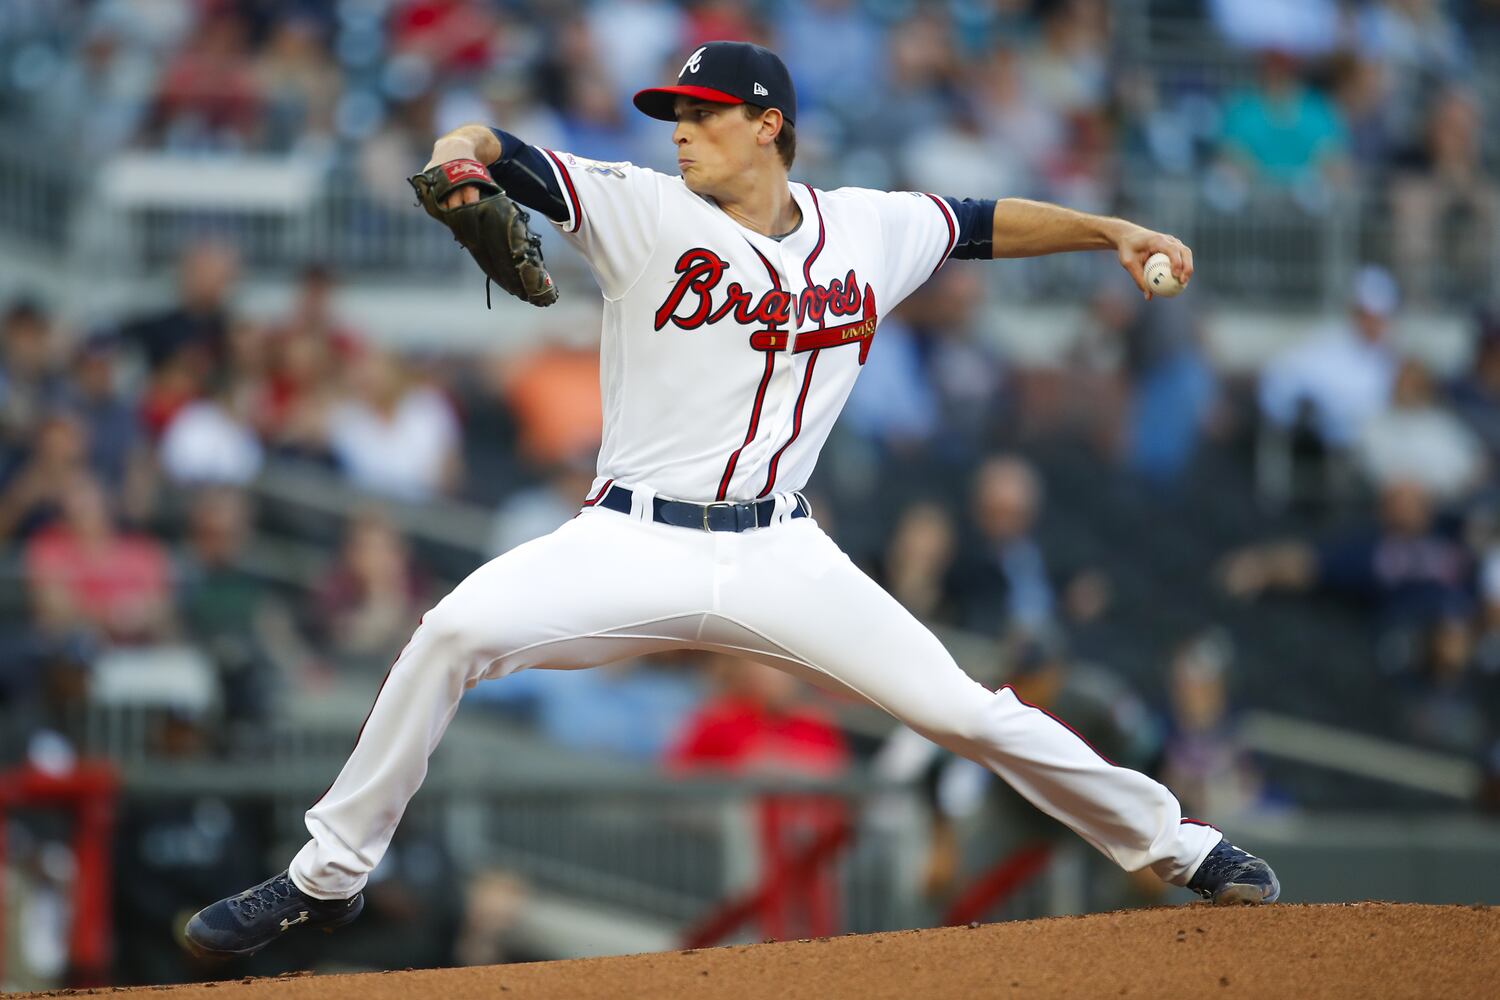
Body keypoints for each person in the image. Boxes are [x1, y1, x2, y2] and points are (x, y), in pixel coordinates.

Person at [185, 40, 1277, 960]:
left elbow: (982, 222)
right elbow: (494, 148)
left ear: (768, 125)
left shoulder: (870, 227)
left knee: (963, 710)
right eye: (675, 114)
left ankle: (1180, 847)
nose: (681, 131)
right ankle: (328, 876)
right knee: (450, 632)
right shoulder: (640, 209)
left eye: (703, 114)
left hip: (780, 553)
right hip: (630, 538)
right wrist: (455, 158)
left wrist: (1112, 231)